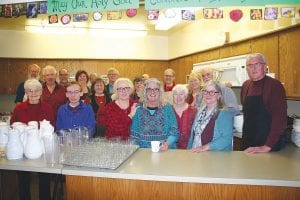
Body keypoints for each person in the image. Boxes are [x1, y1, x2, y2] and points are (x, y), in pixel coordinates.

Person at [10, 79, 54, 200]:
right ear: (26, 92)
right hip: (23, 149)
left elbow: (52, 127)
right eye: (30, 91)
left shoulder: (47, 108)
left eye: (36, 90)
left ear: (41, 92)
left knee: (44, 178)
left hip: (43, 150)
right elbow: (12, 125)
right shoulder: (19, 108)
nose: (33, 93)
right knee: (23, 179)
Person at [240, 53, 287, 153]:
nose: (253, 68)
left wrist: (267, 146)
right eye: (250, 65)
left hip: (268, 144)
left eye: (257, 64)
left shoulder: (275, 86)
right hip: (248, 141)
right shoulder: (245, 85)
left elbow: (280, 120)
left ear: (265, 67)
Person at [130, 78, 179, 150]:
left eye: (156, 89)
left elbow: (174, 131)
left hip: (165, 150)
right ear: (145, 92)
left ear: (160, 92)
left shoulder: (167, 108)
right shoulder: (138, 108)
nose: (152, 92)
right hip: (143, 151)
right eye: (149, 89)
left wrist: (167, 143)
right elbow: (134, 134)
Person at [188, 81, 233, 152]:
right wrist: (189, 151)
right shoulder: (200, 111)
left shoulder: (224, 113)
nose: (208, 95)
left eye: (212, 92)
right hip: (197, 152)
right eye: (205, 91)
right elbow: (193, 135)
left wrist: (205, 147)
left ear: (219, 95)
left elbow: (226, 139)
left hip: (215, 157)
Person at [172, 84, 197, 149]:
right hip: (171, 148)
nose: (178, 97)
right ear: (172, 96)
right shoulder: (168, 110)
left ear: (185, 96)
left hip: (189, 148)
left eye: (181, 94)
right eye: (176, 94)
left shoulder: (194, 111)